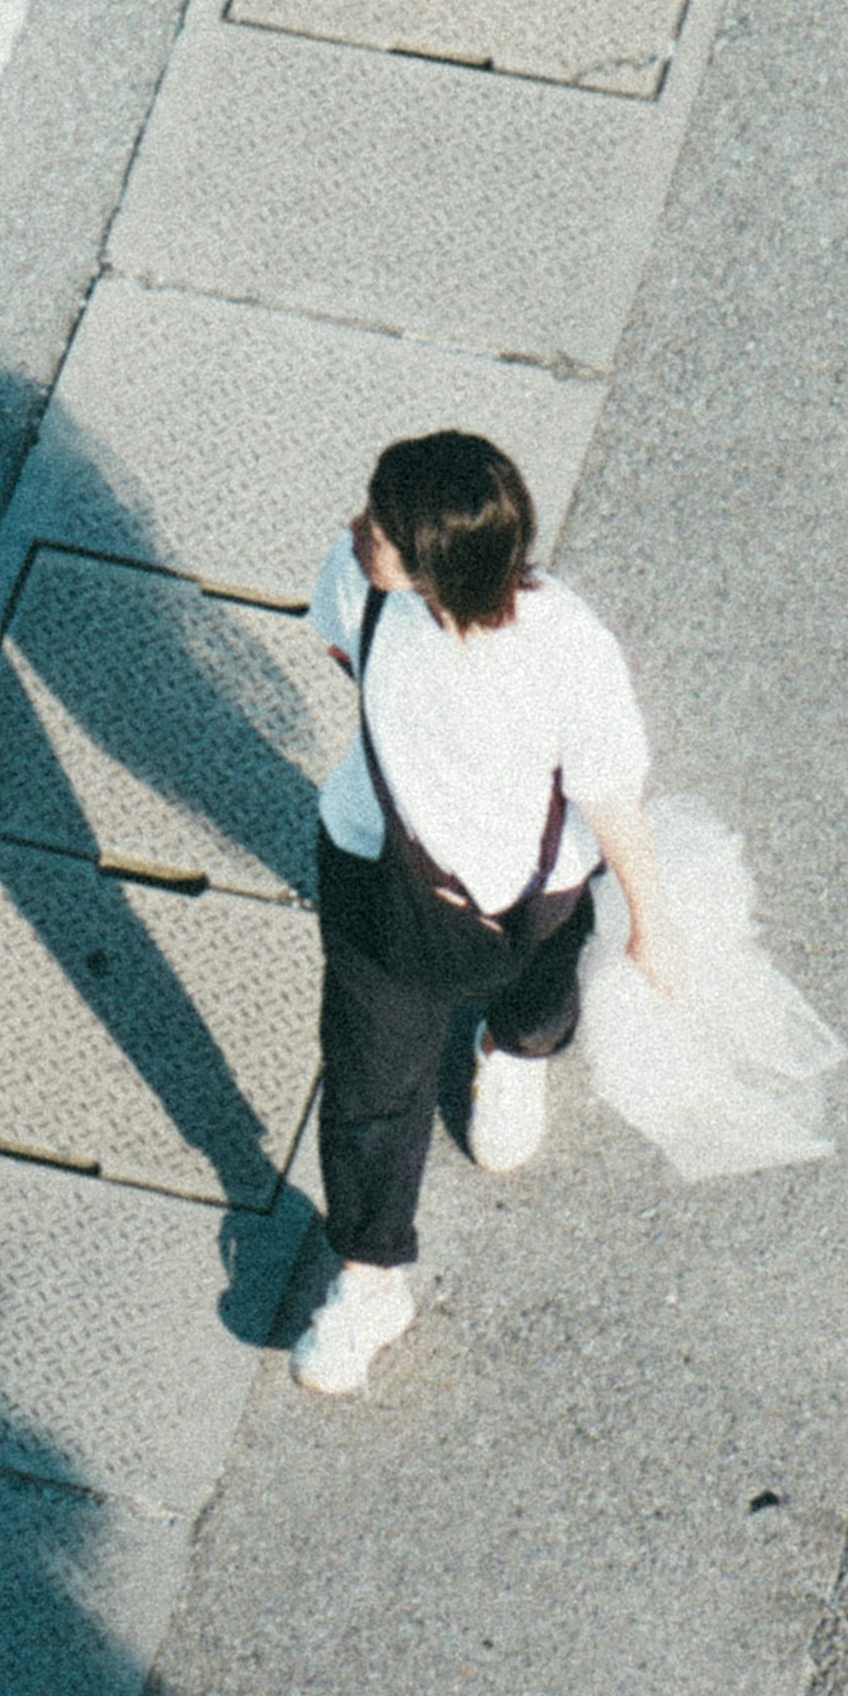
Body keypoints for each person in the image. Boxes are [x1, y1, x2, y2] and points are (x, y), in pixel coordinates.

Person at [288, 428, 680, 1399]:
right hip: (380, 878)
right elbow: (347, 649)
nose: (356, 526)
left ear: (442, 568)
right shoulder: (360, 579)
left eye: (381, 522)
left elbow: (610, 791)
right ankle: (371, 1281)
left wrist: (651, 918)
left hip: (531, 892)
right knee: (370, 1085)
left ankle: (513, 1056)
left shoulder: (565, 647)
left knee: (543, 1000)